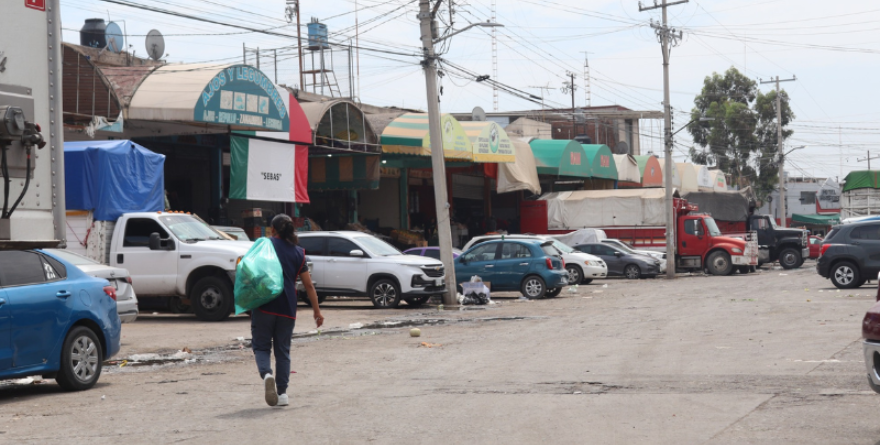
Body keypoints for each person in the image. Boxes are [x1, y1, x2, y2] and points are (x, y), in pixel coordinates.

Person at [251, 214, 324, 407]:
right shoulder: (299, 253)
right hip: (288, 307)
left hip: (264, 304)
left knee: (261, 346)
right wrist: (317, 312)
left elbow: (249, 271)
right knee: (282, 351)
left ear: (273, 229)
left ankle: (267, 374)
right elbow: (308, 285)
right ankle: (282, 394)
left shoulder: (264, 245)